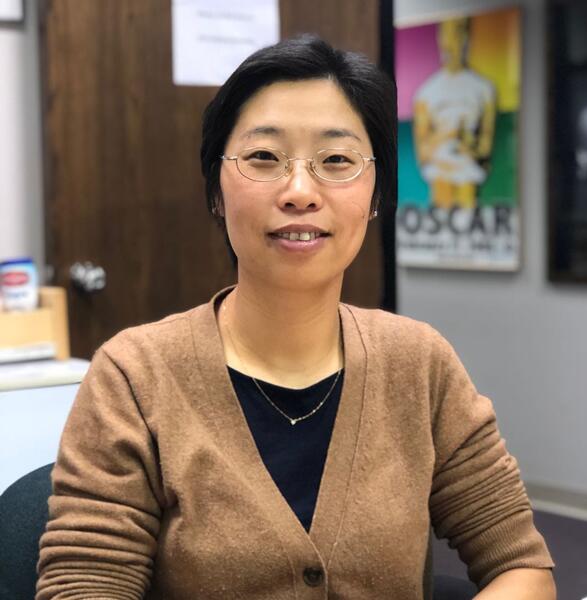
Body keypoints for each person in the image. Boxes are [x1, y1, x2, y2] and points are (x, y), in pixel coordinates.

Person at [36, 35, 554, 599]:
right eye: (264, 158)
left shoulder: (418, 363)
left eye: (337, 160)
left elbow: (520, 565)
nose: (300, 191)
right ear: (216, 191)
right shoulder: (134, 376)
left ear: (376, 193)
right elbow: (84, 586)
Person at [413, 17, 496, 209]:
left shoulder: (484, 89)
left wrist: (468, 144)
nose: (452, 42)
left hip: (469, 173)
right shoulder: (426, 93)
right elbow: (422, 152)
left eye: (459, 32)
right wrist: (445, 135)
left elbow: (485, 146)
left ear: (468, 37)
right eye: (447, 34)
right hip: (439, 174)